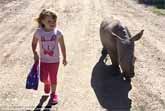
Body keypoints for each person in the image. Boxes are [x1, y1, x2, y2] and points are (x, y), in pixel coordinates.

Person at [32, 9, 67, 104]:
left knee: (53, 77)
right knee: (43, 78)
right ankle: (46, 83)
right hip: (43, 60)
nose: (52, 23)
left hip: (55, 60)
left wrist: (64, 57)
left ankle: (54, 94)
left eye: (54, 21)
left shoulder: (58, 33)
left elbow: (63, 46)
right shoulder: (38, 32)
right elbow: (34, 43)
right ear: (42, 21)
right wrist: (35, 52)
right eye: (49, 21)